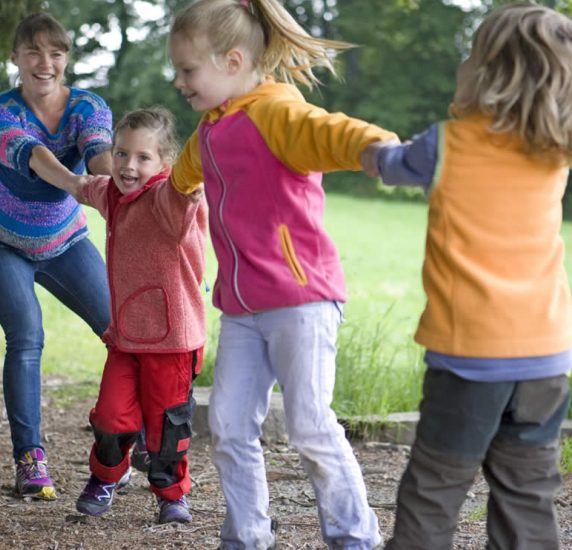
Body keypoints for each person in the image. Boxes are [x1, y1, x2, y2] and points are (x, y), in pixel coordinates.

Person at [167, 0, 398, 547]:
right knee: (226, 427)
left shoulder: (276, 114)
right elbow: (181, 177)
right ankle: (246, 536)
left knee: (311, 427)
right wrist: (157, 192)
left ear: (232, 60)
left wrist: (380, 149)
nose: (178, 81)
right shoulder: (210, 130)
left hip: (301, 300)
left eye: (187, 69)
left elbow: (330, 132)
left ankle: (355, 537)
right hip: (242, 310)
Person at [361, 4, 572, 548]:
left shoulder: (447, 143)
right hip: (546, 358)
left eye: (470, 57)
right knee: (528, 493)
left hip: (471, 359)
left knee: (435, 489)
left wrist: (370, 149)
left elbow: (387, 162)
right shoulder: (556, 149)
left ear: (486, 74)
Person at [0, 12, 118, 501]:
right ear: (15, 58)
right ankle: (29, 459)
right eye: (33, 51)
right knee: (27, 336)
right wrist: (78, 186)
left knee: (123, 332)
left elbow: (98, 151)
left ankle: (120, 441)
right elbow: (31, 154)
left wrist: (110, 184)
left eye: (55, 53)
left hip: (66, 244)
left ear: (67, 59)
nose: (44, 62)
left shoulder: (87, 105)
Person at [59, 108, 207, 524]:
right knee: (110, 416)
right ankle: (108, 476)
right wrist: (33, 156)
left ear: (165, 163)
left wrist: (191, 180)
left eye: (143, 157)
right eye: (121, 153)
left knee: (166, 429)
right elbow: (80, 185)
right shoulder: (113, 195)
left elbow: (184, 187)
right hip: (125, 338)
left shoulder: (168, 199)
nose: (129, 166)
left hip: (173, 342)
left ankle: (171, 494)